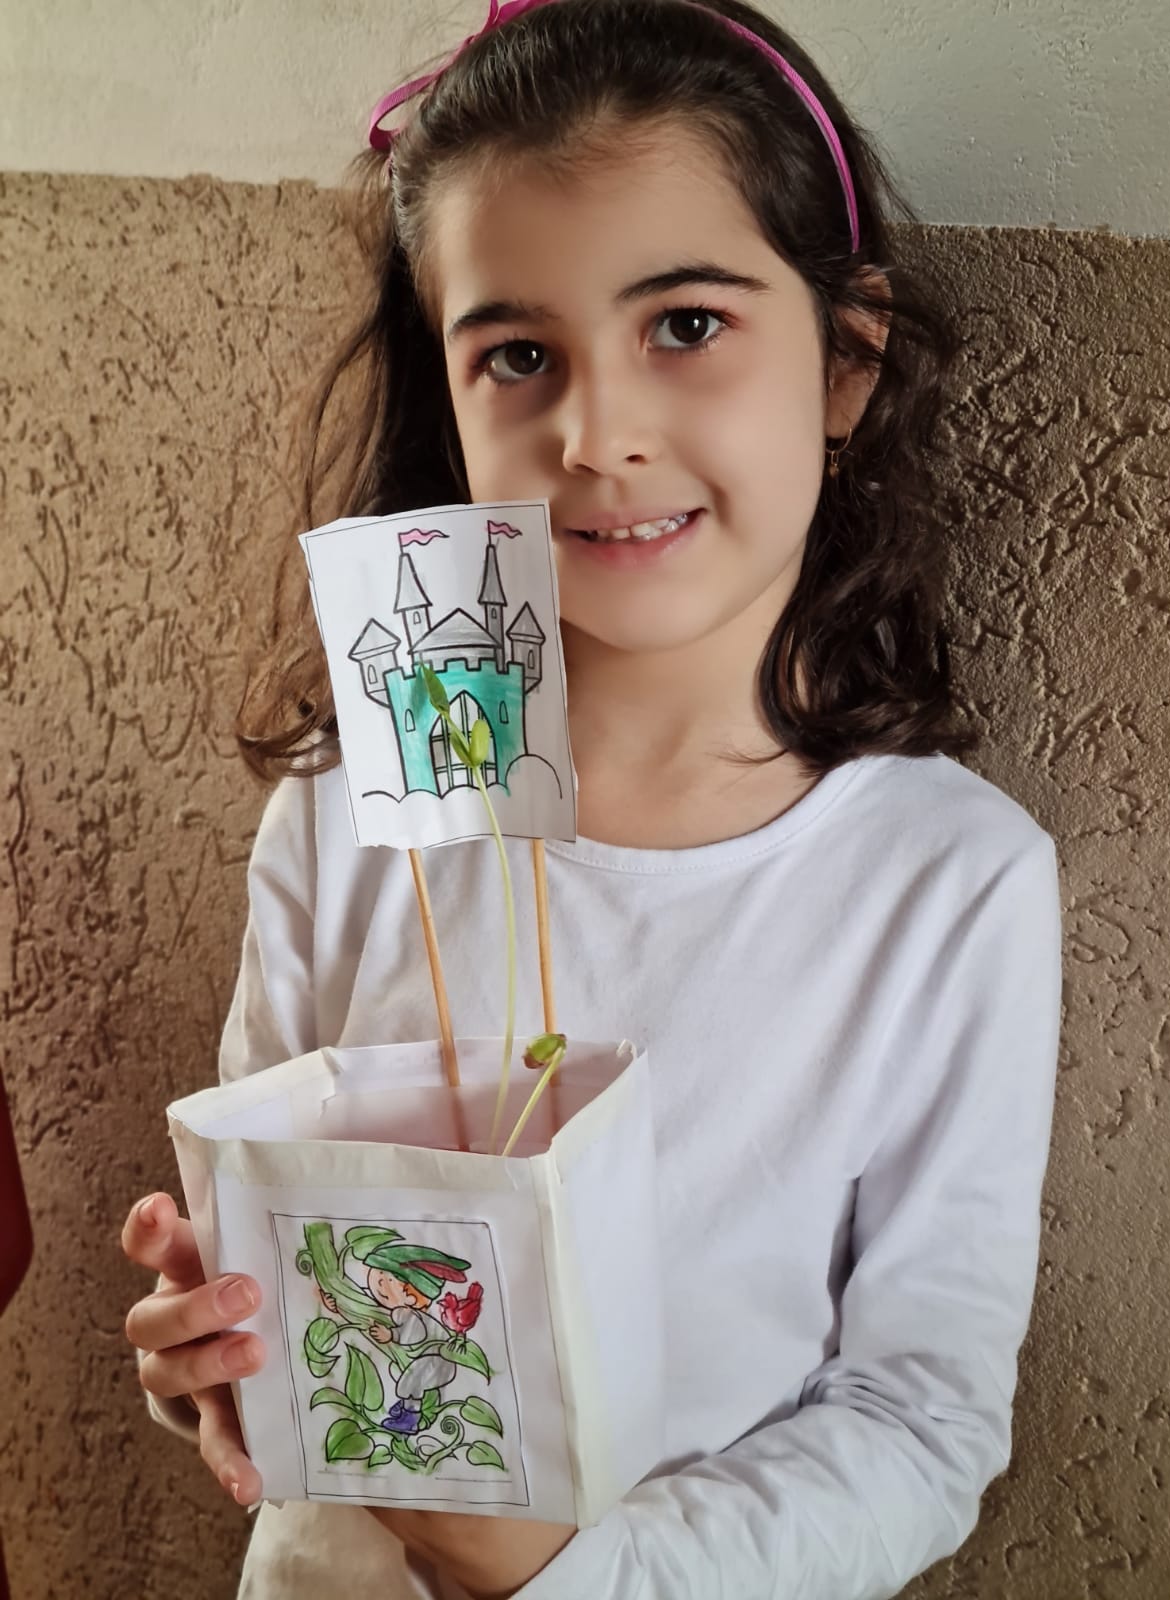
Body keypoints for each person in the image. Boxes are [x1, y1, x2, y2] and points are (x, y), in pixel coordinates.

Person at [121, 2, 1064, 1596]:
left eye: (685, 324)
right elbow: (280, 1280)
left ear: (846, 359)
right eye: (518, 355)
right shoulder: (349, 820)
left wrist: (563, 1572)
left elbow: (920, 1418)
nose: (600, 433)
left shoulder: (949, 883)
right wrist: (216, 1357)